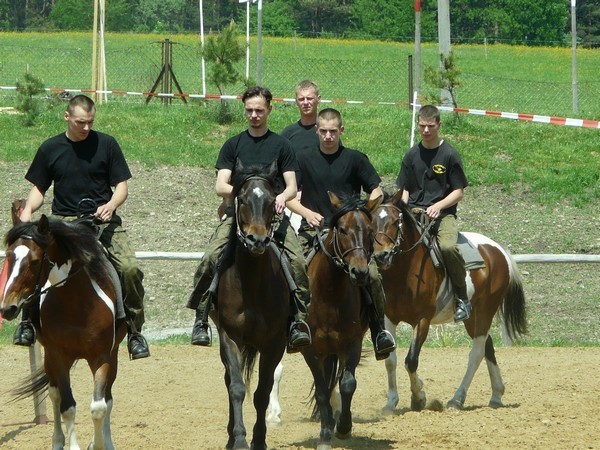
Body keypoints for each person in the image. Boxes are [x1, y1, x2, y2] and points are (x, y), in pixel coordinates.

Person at [14, 94, 150, 360]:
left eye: (90, 122)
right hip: (63, 222)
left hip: (103, 222)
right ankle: (28, 323)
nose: (86, 128)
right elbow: (39, 189)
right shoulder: (50, 148)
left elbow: (122, 186)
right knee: (37, 262)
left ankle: (135, 332)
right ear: (67, 117)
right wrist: (29, 210)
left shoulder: (107, 145)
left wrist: (111, 205)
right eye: (80, 123)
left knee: (130, 269)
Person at [187, 86, 311, 351]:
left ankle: (298, 320)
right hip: (239, 217)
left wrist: (279, 197)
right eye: (250, 110)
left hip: (272, 217)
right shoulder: (233, 144)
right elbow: (221, 185)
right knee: (210, 257)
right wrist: (248, 196)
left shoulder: (282, 145)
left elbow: (291, 185)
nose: (254, 115)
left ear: (269, 109)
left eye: (259, 110)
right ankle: (201, 317)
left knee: (298, 261)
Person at [286, 108, 396, 360]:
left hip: (351, 235)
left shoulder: (356, 159)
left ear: (341, 130)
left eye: (332, 131)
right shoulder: (302, 159)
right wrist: (307, 212)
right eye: (323, 131)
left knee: (374, 276)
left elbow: (377, 192)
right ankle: (295, 325)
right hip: (314, 231)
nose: (327, 136)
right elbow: (288, 195)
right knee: (294, 268)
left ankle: (379, 331)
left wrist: (363, 212)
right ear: (316, 131)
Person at [395, 104, 472, 322]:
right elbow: (405, 188)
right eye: (422, 126)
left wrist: (439, 205)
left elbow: (458, 192)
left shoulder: (449, 154)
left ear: (439, 125)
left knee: (447, 247)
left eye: (430, 126)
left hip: (443, 215)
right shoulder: (411, 155)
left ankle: (462, 298)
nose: (426, 130)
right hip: (414, 213)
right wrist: (402, 209)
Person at [280, 79, 321, 153]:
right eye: (301, 99)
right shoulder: (288, 133)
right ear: (296, 102)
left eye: (309, 98)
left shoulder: (327, 132)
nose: (305, 102)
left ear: (318, 99)